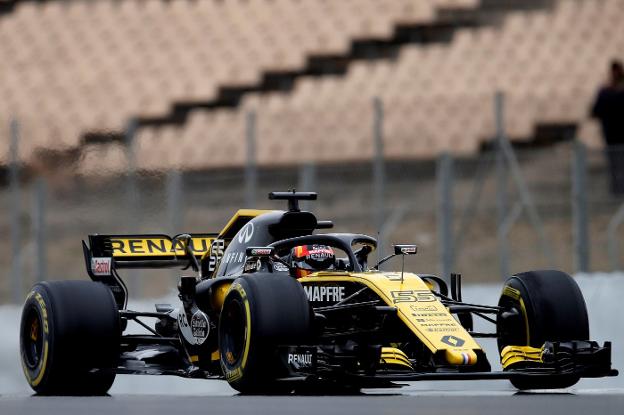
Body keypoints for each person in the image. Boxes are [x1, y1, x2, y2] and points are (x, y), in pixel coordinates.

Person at [591, 59, 624, 195]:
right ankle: (617, 191)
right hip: (612, 135)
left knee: (616, 165)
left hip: (614, 134)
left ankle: (618, 190)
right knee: (614, 165)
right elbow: (595, 111)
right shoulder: (605, 92)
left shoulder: (606, 92)